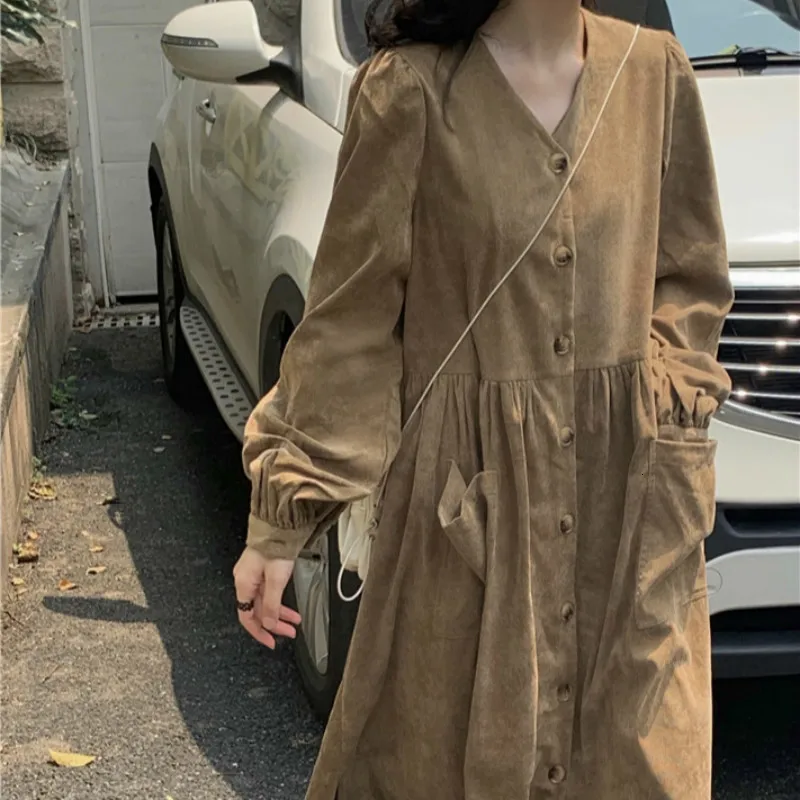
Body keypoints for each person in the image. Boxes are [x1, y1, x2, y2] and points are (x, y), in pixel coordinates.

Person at [233, 0, 734, 797]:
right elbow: (352, 322)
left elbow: (690, 279)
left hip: (626, 510)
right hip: (463, 519)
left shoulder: (655, 74)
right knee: (452, 759)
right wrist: (283, 517)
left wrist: (667, 414)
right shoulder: (409, 91)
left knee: (639, 762)